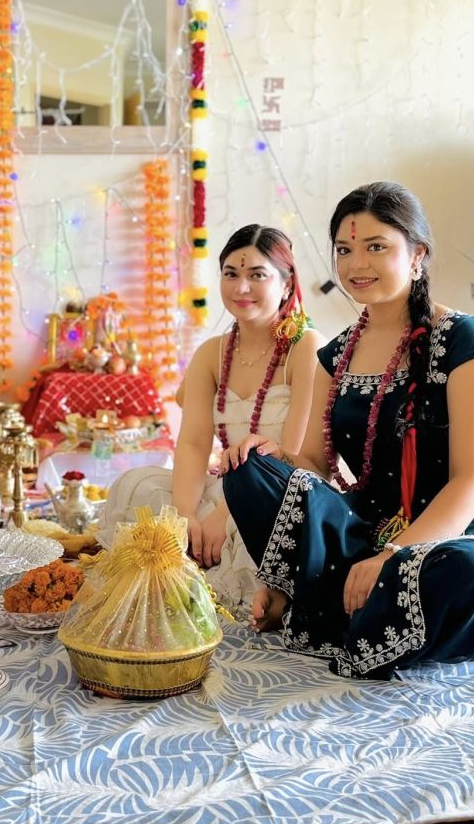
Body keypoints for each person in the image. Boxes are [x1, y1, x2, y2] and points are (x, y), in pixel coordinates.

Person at [222, 181, 474, 679]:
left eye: (376, 247)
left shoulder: (463, 341)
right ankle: (339, 601)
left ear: (417, 255)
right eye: (344, 250)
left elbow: (470, 480)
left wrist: (396, 556)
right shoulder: (335, 356)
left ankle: (340, 608)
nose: (357, 264)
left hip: (461, 537)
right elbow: (312, 466)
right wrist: (270, 455)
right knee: (248, 470)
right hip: (366, 531)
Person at [97, 224, 322, 614]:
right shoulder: (212, 353)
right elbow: (194, 443)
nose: (241, 287)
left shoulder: (306, 347)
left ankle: (229, 585)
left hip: (282, 492)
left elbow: (293, 456)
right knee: (135, 486)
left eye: (257, 275)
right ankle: (186, 564)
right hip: (224, 484)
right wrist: (183, 517)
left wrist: (228, 513)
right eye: (231, 274)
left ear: (287, 284)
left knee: (254, 529)